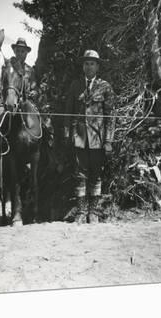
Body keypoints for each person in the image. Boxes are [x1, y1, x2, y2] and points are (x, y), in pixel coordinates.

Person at [64, 50, 115, 224]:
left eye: (92, 63)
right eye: (86, 63)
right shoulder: (75, 85)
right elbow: (68, 113)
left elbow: (110, 116)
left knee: (96, 174)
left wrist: (108, 140)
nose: (89, 66)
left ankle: (93, 212)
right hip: (79, 137)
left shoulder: (105, 86)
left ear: (97, 66)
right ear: (82, 66)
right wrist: (68, 134)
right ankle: (81, 211)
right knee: (80, 174)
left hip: (98, 139)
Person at [9, 37, 38, 102]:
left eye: (22, 51)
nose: (20, 54)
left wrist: (34, 92)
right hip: (9, 101)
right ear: (14, 52)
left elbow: (34, 87)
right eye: (18, 51)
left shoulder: (30, 70)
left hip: (25, 102)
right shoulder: (9, 67)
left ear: (26, 53)